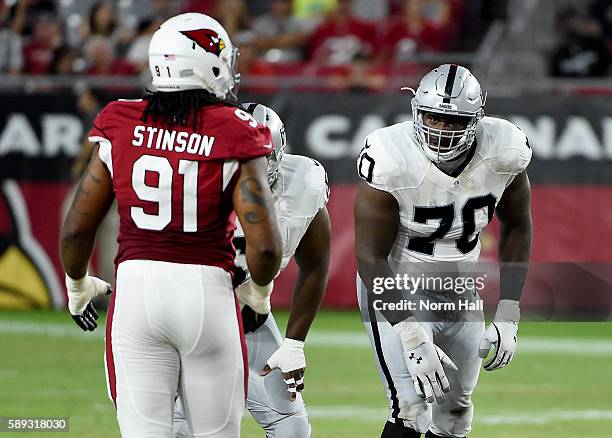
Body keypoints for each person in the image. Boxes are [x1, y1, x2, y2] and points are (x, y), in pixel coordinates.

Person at [60, 13, 282, 437]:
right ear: (207, 64)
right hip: (206, 293)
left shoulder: (120, 121)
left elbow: (76, 228)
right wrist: (258, 293)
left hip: (135, 294)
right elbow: (266, 246)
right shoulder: (237, 129)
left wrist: (77, 285)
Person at [354, 64, 532, 437]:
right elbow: (371, 257)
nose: (441, 129)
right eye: (434, 116)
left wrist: (510, 312)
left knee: (455, 412)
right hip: (398, 282)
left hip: (460, 287)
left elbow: (517, 224)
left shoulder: (505, 149)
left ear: (477, 119)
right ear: (417, 111)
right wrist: (410, 334)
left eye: (454, 121)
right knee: (410, 406)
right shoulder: (391, 156)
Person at [173, 103, 331, 438]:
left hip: (248, 317)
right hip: (182, 314)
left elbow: (316, 266)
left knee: (292, 428)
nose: (250, 168)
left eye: (259, 156)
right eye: (238, 157)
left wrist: (294, 343)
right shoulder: (186, 184)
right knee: (181, 429)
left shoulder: (303, 181)